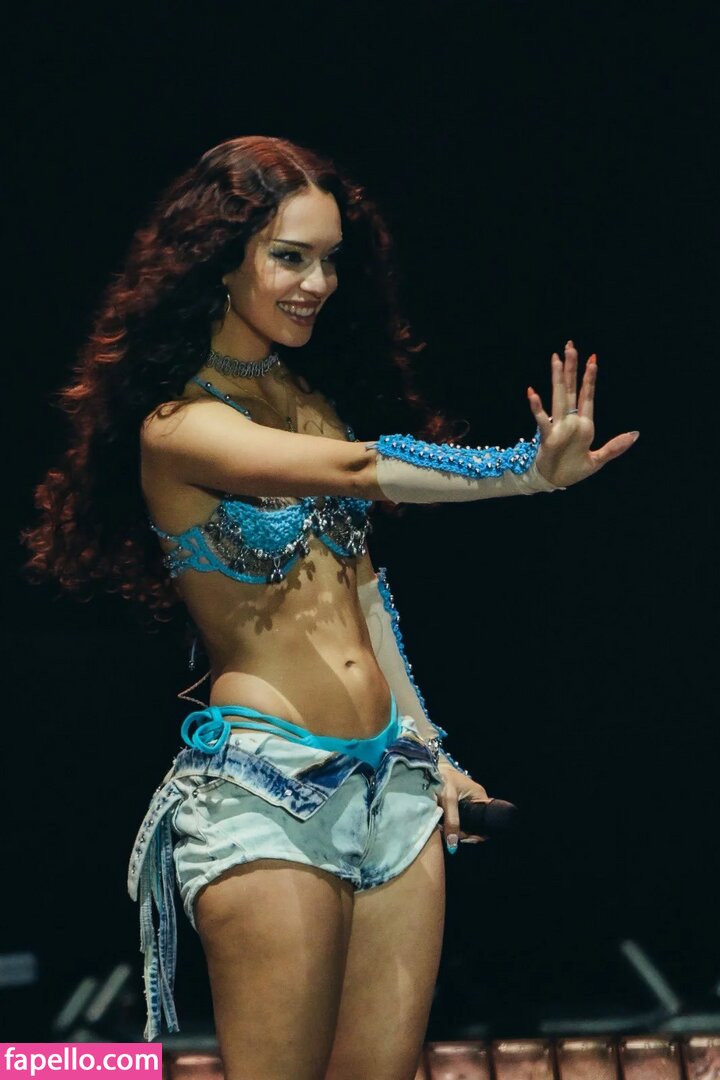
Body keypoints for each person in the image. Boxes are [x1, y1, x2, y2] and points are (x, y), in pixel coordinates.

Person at [24, 135, 637, 1080]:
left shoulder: (305, 397)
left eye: (331, 259)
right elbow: (357, 469)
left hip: (393, 786)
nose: (318, 284)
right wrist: (527, 470)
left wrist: (432, 749)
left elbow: (360, 589)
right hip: (268, 792)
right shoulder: (180, 428)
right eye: (290, 257)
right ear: (219, 260)